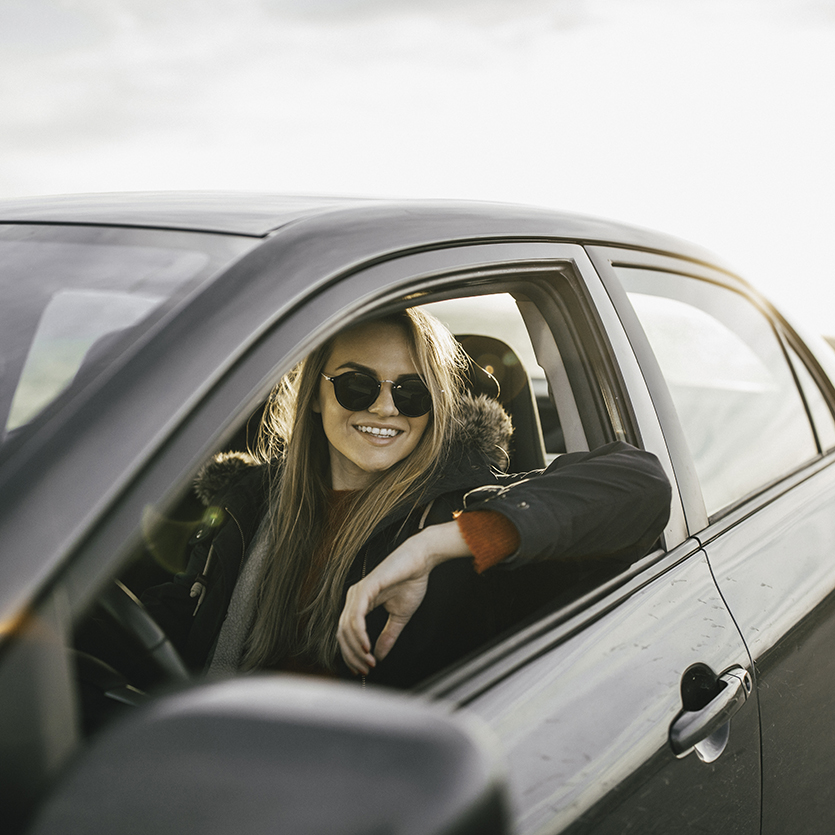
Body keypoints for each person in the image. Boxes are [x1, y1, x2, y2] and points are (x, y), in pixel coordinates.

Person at [142, 308, 671, 688]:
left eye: (412, 392)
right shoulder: (250, 504)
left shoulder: (458, 510)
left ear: (434, 407)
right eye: (356, 386)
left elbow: (641, 485)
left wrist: (442, 543)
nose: (386, 408)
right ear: (313, 396)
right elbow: (186, 618)